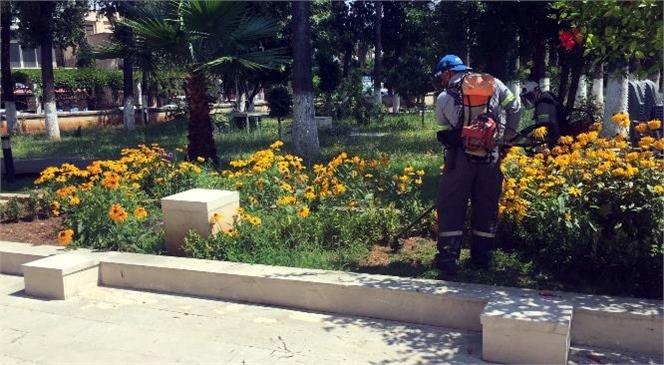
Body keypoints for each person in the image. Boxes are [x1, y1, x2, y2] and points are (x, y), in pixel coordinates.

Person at [432, 54, 521, 275]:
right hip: (491, 155)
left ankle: (448, 259)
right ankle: (481, 258)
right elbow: (516, 107)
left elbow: (441, 122)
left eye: (441, 77)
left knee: (451, 205)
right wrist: (507, 138)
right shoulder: (494, 83)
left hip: (460, 157)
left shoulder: (445, 95)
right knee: (487, 205)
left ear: (447, 73)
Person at [520, 81, 565, 148]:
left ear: (537, 91)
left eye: (530, 96)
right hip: (559, 137)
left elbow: (543, 127)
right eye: (528, 98)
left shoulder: (542, 104)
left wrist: (526, 141)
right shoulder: (546, 97)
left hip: (555, 142)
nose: (530, 100)